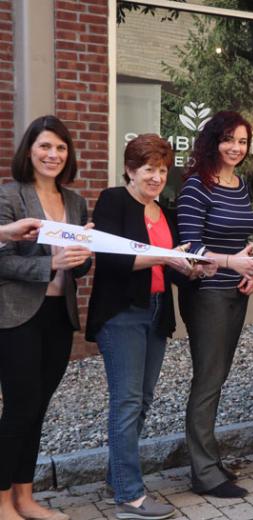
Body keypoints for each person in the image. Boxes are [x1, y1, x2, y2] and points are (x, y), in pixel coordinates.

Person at [87, 135, 215, 519]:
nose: (157, 177)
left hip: (157, 310)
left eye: (162, 170)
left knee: (141, 401)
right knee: (126, 403)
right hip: (122, 313)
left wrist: (193, 270)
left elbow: (170, 270)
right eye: (149, 169)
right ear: (130, 170)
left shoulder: (166, 212)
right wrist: (166, 258)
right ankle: (130, 497)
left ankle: (117, 479)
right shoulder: (114, 201)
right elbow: (110, 258)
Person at [0, 116, 92, 520]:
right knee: (19, 406)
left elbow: (78, 267)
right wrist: (49, 264)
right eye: (45, 147)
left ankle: (25, 497)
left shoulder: (74, 202)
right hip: (17, 315)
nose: (53, 155)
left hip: (59, 314)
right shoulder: (10, 196)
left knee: (38, 407)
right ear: (29, 151)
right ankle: (2, 501)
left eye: (60, 148)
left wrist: (84, 258)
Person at [176, 111, 253, 497]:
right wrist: (231, 263)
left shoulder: (240, 184)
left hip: (236, 292)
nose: (236, 148)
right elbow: (190, 247)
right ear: (213, 141)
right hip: (206, 294)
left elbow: (241, 237)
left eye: (242, 142)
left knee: (219, 377)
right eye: (229, 139)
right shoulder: (197, 186)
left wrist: (252, 267)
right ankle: (204, 473)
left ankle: (209, 460)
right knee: (208, 380)